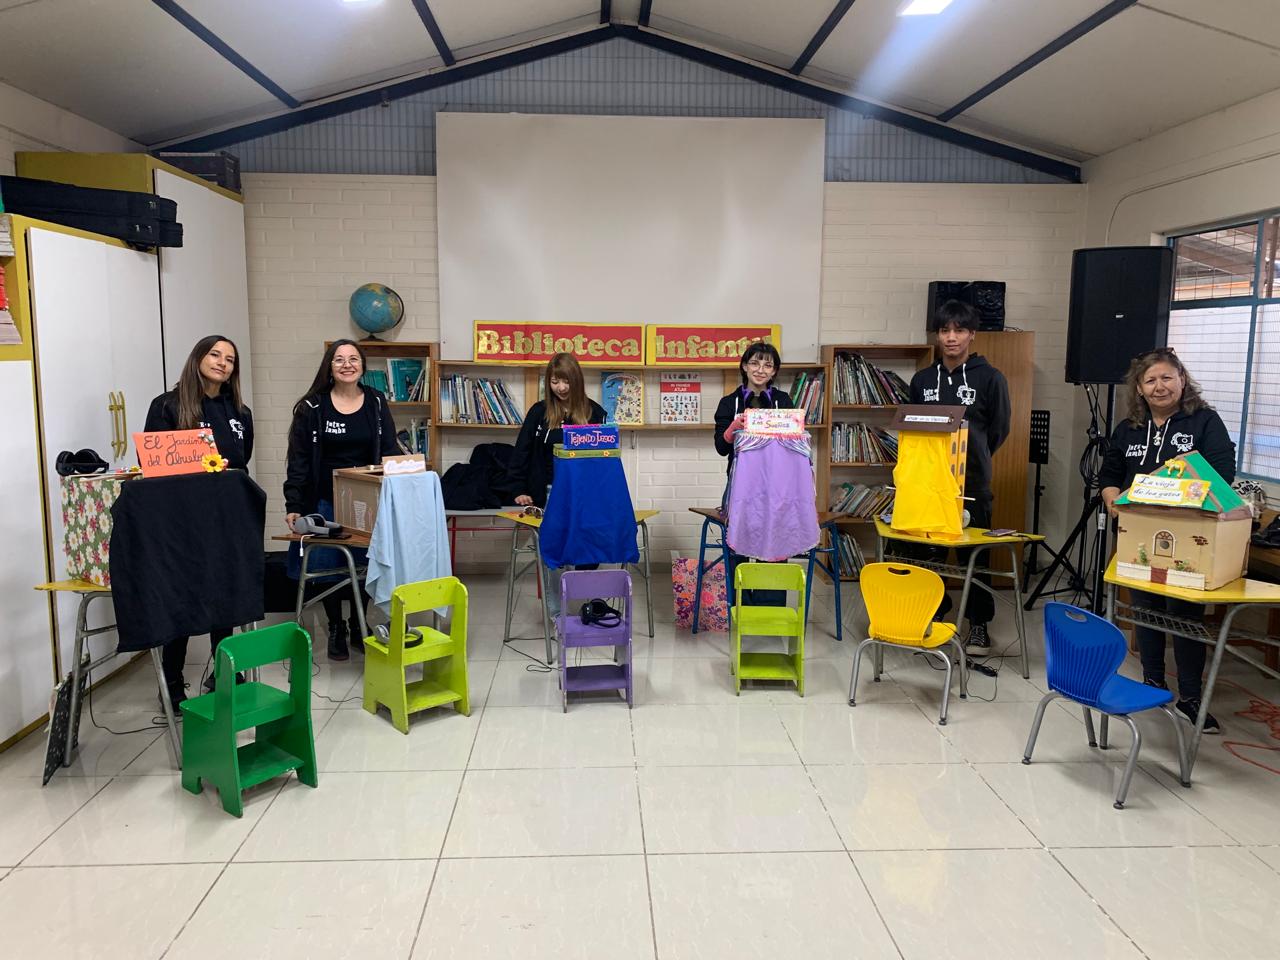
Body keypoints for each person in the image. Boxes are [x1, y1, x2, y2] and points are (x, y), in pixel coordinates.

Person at [1098, 347, 1236, 733]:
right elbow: (1110, 473)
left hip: (1188, 538)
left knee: (1185, 617)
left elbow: (1222, 473)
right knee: (1145, 612)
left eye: (1166, 378)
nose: (1159, 386)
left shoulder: (1204, 421)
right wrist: (1112, 499)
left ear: (1182, 380)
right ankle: (1153, 684)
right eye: (1150, 380)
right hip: (1137, 536)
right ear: (1139, 388)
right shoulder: (1129, 428)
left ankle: (1191, 697)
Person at [143, 334, 254, 705]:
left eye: (230, 359)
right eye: (215, 354)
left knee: (224, 595)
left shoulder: (240, 412)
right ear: (198, 358)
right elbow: (152, 464)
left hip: (226, 518)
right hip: (181, 522)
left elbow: (241, 462)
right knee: (184, 597)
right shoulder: (167, 405)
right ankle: (172, 683)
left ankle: (223, 673)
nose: (222, 362)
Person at [284, 339, 400, 661]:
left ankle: (358, 623)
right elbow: (299, 460)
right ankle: (335, 626)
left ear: (362, 365)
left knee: (364, 567)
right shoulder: (312, 406)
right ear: (329, 366)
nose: (347, 364)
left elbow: (389, 448)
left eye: (353, 359)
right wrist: (294, 504)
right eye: (339, 359)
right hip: (323, 500)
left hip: (366, 501)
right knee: (328, 568)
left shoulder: (376, 401)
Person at [907, 300, 1011, 655]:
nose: (951, 337)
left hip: (972, 484)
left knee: (974, 555)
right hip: (928, 484)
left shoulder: (991, 378)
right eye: (944, 330)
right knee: (928, 554)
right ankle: (934, 614)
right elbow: (914, 428)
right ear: (937, 336)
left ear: (972, 334)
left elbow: (998, 430)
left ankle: (978, 624)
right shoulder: (922, 380)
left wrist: (972, 458)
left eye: (959, 330)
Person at [508, 353, 607, 615]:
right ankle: (556, 614)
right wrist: (519, 489)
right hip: (549, 492)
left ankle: (588, 604)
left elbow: (604, 460)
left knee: (589, 546)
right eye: (554, 382)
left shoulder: (595, 412)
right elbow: (521, 452)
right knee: (552, 554)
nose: (561, 388)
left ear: (577, 380)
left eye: (566, 381)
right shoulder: (538, 412)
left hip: (584, 496)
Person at [713, 341, 795, 604]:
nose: (761, 369)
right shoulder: (729, 402)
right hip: (740, 483)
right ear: (744, 366)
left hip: (777, 484)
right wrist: (734, 427)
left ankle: (770, 607)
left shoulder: (783, 401)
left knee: (774, 542)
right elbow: (721, 448)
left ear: (774, 371)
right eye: (755, 363)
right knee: (738, 541)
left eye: (768, 365)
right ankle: (740, 605)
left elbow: (795, 445)